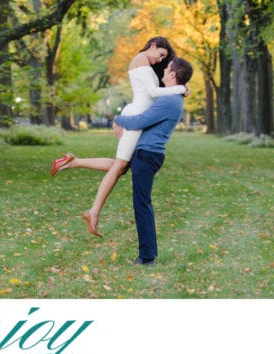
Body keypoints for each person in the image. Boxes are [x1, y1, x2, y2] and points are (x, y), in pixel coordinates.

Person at [50, 37, 182, 237]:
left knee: (120, 166)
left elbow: (150, 95)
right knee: (120, 166)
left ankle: (73, 162)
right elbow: (153, 92)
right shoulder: (140, 60)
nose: (160, 59)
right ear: (152, 46)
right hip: (135, 119)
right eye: (160, 54)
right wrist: (181, 88)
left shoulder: (145, 64)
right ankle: (93, 211)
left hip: (135, 115)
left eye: (164, 58)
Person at [114, 56, 193, 265]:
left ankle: (147, 256)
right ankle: (148, 254)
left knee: (142, 204)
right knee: (142, 203)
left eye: (166, 69)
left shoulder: (169, 100)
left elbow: (140, 121)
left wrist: (117, 119)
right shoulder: (173, 97)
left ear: (173, 74)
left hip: (147, 155)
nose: (163, 71)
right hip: (149, 154)